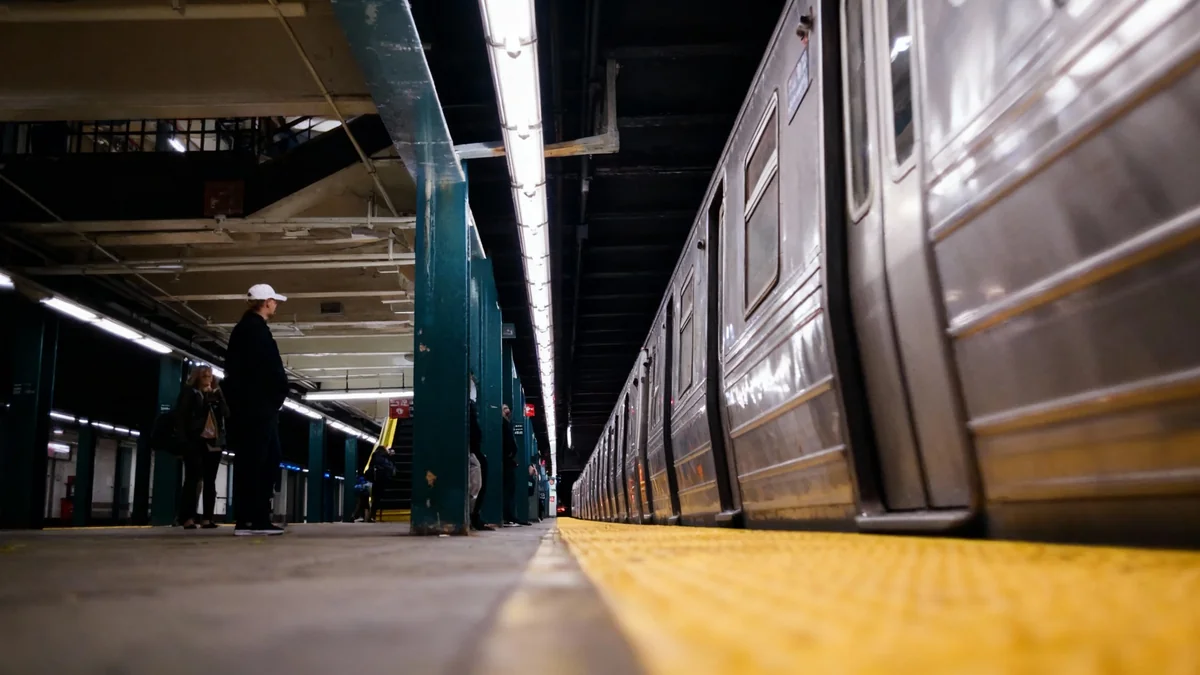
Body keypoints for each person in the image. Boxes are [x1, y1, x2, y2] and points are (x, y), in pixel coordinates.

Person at [223, 283, 290, 536]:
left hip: (250, 406)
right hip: (259, 407)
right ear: (266, 302)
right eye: (274, 301)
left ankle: (248, 518)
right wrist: (276, 396)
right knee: (262, 461)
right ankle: (255, 519)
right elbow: (267, 368)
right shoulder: (256, 331)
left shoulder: (243, 330)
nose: (276, 305)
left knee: (254, 460)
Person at [174, 365, 229, 530]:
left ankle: (207, 518)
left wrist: (219, 397)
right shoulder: (190, 393)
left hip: (213, 442)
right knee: (193, 478)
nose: (208, 379)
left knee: (210, 481)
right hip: (194, 441)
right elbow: (182, 416)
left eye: (210, 376)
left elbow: (227, 414)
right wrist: (183, 441)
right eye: (205, 376)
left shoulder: (216, 395)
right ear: (197, 377)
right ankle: (187, 518)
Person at [501, 404, 525, 527]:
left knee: (510, 489)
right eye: (504, 409)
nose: (508, 411)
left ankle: (509, 515)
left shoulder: (507, 424)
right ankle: (507, 515)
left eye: (508, 408)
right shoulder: (503, 424)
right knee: (507, 489)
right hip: (505, 460)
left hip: (508, 460)